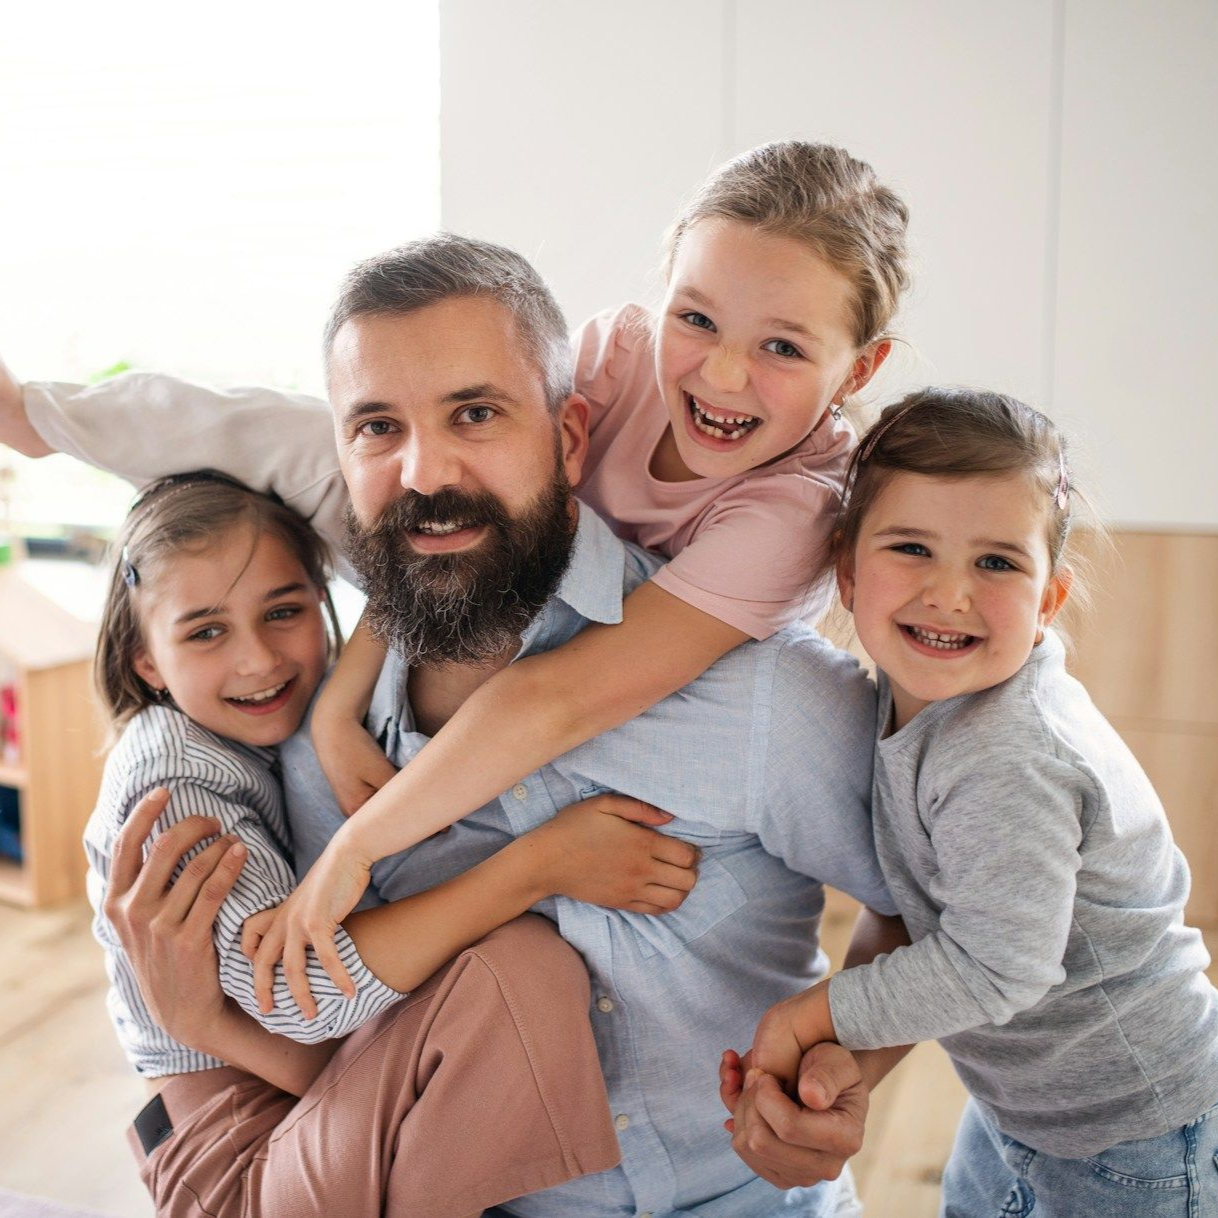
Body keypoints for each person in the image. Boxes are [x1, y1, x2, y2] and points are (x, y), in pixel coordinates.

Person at [5, 234, 907, 1215]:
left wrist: (848, 1061)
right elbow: (334, 1031)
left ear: (569, 438)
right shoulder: (309, 735)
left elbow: (928, 904)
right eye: (377, 428)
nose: (424, 471)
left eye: (475, 414)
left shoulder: (762, 694)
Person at [14, 141, 911, 993]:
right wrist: (336, 702)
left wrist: (357, 846)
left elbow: (558, 697)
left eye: (783, 347)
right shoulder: (625, 355)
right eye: (697, 318)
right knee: (275, 435)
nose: (720, 372)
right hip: (515, 562)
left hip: (610, 643)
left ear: (858, 368)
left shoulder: (797, 512)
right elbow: (430, 537)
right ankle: (36, 418)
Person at [85, 469, 699, 1216]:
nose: (258, 660)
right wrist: (539, 865)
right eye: (205, 631)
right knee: (517, 971)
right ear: (146, 661)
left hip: (300, 1103)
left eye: (284, 612)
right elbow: (296, 997)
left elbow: (405, 585)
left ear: (323, 603)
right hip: (236, 1158)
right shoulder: (174, 787)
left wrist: (336, 709)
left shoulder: (263, 724)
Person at [732, 388, 1218, 1216]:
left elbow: (998, 964)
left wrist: (817, 1015)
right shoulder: (912, 706)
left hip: (1135, 1135)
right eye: (912, 547)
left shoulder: (1007, 754)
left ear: (1046, 604)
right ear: (847, 572)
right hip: (1025, 1109)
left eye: (996, 562)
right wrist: (851, 1047)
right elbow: (919, 908)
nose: (950, 593)